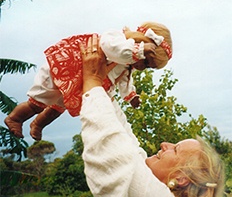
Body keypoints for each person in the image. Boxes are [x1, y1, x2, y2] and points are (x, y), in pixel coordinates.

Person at [80, 34, 225, 197]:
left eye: (175, 150)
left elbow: (115, 155)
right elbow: (128, 145)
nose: (164, 144)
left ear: (181, 178)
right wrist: (107, 88)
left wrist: (92, 82)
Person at [4, 21, 172, 141]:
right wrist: (139, 50)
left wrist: (131, 96)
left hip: (79, 83)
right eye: (146, 61)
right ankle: (15, 118)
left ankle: (38, 124)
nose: (142, 66)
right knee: (38, 102)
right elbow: (112, 50)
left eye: (148, 66)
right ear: (142, 39)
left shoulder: (129, 63)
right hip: (66, 69)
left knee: (58, 107)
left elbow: (125, 81)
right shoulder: (118, 39)